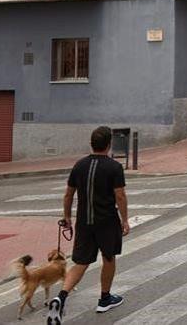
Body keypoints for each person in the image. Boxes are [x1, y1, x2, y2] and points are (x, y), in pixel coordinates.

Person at [47, 126, 129, 323]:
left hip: (84, 222)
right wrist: (125, 220)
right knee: (108, 258)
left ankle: (61, 297)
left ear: (91, 144)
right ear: (109, 145)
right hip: (107, 221)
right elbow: (120, 195)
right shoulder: (114, 167)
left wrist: (67, 217)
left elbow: (68, 194)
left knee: (81, 262)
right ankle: (105, 298)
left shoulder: (79, 165)